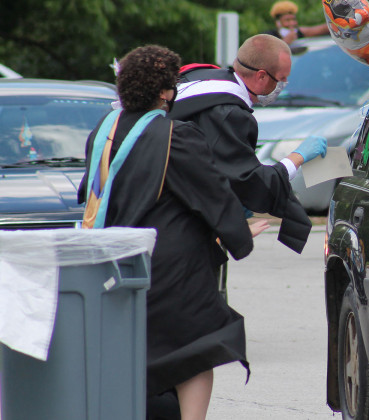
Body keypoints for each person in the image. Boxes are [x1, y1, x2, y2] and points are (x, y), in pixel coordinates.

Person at [77, 45, 269, 420]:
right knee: (196, 350)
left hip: (111, 258)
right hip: (172, 265)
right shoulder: (175, 136)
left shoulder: (103, 131)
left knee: (131, 348)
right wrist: (238, 234)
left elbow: (88, 192)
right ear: (166, 92)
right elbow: (212, 195)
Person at [168, 34, 327, 255]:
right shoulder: (228, 114)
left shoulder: (201, 76)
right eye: (281, 79)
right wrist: (297, 158)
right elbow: (248, 183)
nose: (283, 85)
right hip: (182, 234)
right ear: (262, 76)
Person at [264, 0, 329, 44]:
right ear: (278, 23)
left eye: (293, 19)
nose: (292, 23)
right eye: (287, 20)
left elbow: (322, 29)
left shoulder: (299, 32)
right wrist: (285, 42)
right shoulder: (269, 36)